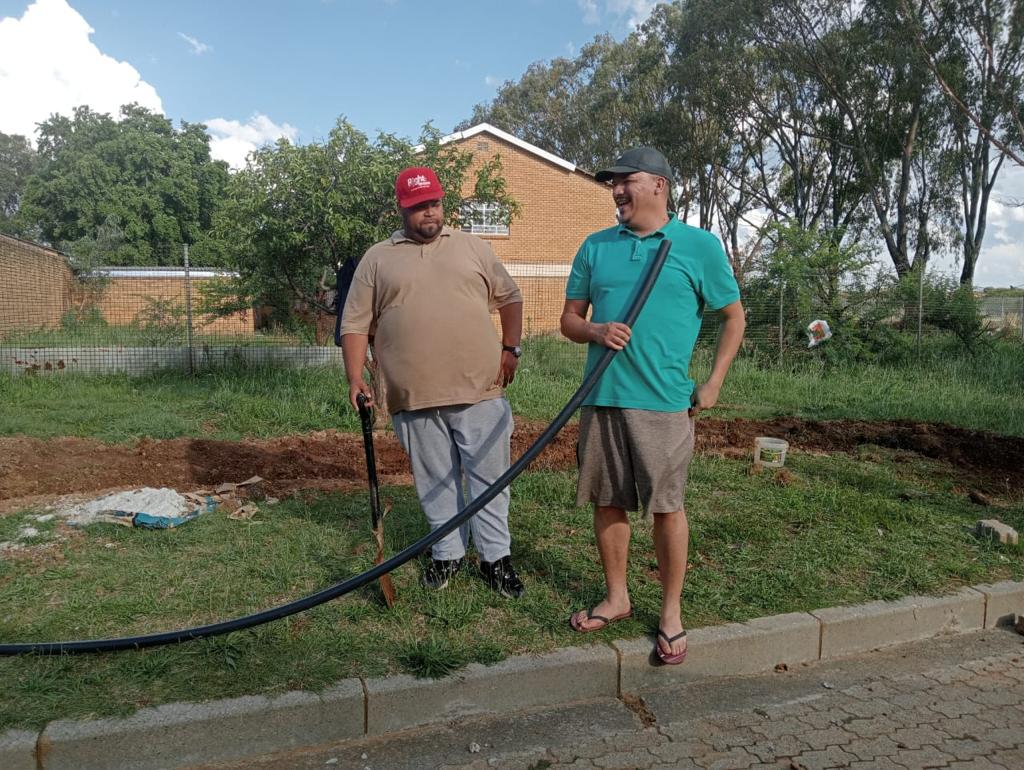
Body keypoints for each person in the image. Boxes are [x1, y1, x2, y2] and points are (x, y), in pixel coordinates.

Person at [560, 147, 745, 663]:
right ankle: (617, 597)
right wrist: (596, 330)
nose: (617, 190)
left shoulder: (698, 246)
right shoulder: (596, 246)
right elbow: (569, 321)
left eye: (627, 180)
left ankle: (670, 612)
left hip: (663, 403)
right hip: (602, 396)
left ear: (659, 185)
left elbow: (734, 317)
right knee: (607, 500)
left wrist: (713, 383)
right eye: (613, 183)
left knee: (667, 506)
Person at [340, 166, 527, 598]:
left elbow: (510, 297)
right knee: (435, 480)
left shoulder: (473, 247)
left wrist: (510, 348)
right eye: (419, 206)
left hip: (480, 390)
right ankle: (447, 555)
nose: (429, 213)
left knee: (490, 480)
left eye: (435, 203)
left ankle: (496, 559)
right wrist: (354, 376)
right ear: (401, 208)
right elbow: (354, 324)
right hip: (413, 396)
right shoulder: (377, 258)